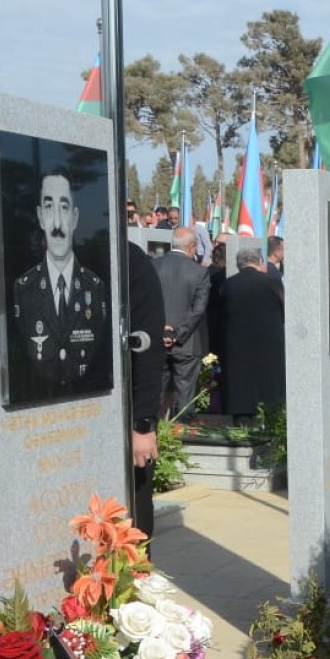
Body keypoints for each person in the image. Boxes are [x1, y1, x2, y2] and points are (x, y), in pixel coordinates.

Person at [6, 168, 110, 402]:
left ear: (74, 218)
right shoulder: (23, 289)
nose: (57, 224)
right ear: (40, 216)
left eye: (64, 207)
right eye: (49, 207)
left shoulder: (95, 287)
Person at [126, 241, 166, 552]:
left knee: (136, 527)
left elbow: (148, 350)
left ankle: (139, 586)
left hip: (128, 419)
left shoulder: (130, 260)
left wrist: (143, 424)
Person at [220, 247, 286, 422]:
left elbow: (220, 314)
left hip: (237, 343)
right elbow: (284, 309)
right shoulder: (272, 282)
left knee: (241, 383)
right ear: (259, 261)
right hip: (269, 343)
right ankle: (271, 421)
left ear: (238, 263)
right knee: (269, 385)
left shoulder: (228, 284)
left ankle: (242, 422)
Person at [152, 226, 210, 418]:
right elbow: (198, 310)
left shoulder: (153, 265)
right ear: (192, 247)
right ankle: (182, 440)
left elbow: (145, 303)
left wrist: (161, 331)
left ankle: (153, 434)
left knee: (155, 395)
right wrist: (177, 334)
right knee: (185, 397)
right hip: (187, 343)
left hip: (157, 340)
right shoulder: (199, 272)